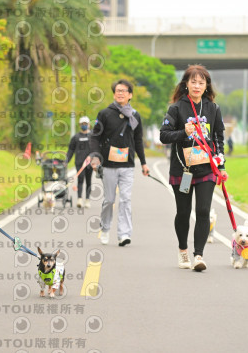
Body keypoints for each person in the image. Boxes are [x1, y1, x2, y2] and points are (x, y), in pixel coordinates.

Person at [159, 64, 227, 272]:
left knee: (203, 210)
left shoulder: (213, 109)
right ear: (186, 84)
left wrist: (221, 165)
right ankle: (183, 251)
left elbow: (218, 138)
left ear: (207, 86)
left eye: (201, 82)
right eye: (193, 82)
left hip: (206, 169)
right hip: (183, 171)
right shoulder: (176, 108)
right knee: (183, 212)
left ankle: (199, 255)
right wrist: (183, 132)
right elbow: (164, 136)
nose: (197, 86)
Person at [89, 79, 149, 246]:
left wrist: (143, 163)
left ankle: (124, 234)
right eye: (118, 90)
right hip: (108, 165)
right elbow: (95, 137)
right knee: (109, 200)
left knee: (125, 200)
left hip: (127, 165)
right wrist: (95, 157)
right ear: (114, 94)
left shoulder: (135, 116)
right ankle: (105, 228)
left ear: (130, 95)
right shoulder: (105, 114)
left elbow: (138, 141)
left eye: (124, 91)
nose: (120, 93)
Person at [66, 115, 93, 208]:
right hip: (79, 162)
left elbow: (96, 149)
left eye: (85, 123)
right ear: (80, 125)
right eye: (82, 124)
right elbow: (71, 150)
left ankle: (87, 200)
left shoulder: (92, 136)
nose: (84, 125)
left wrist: (92, 157)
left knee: (88, 181)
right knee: (80, 180)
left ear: (89, 125)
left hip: (89, 163)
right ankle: (79, 199)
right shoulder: (76, 137)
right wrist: (66, 161)